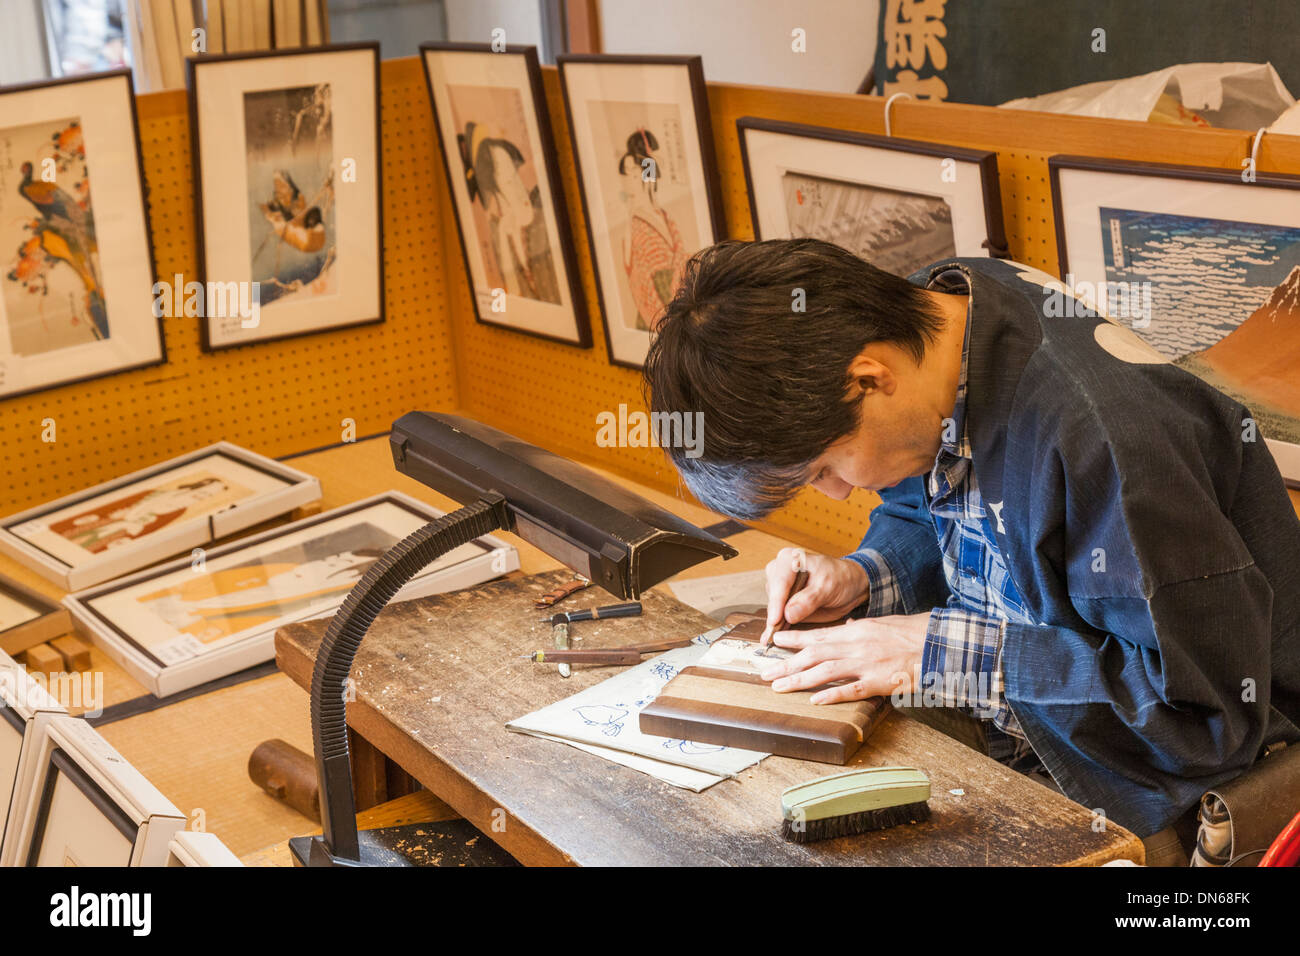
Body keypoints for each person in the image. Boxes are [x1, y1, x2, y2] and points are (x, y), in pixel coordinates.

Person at [642, 237, 1300, 844]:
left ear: (869, 379)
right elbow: (947, 519)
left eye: (823, 469)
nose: (838, 494)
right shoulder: (937, 316)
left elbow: (1200, 719)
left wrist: (943, 653)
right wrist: (868, 577)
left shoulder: (1106, 441)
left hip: (1175, 785)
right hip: (1023, 723)